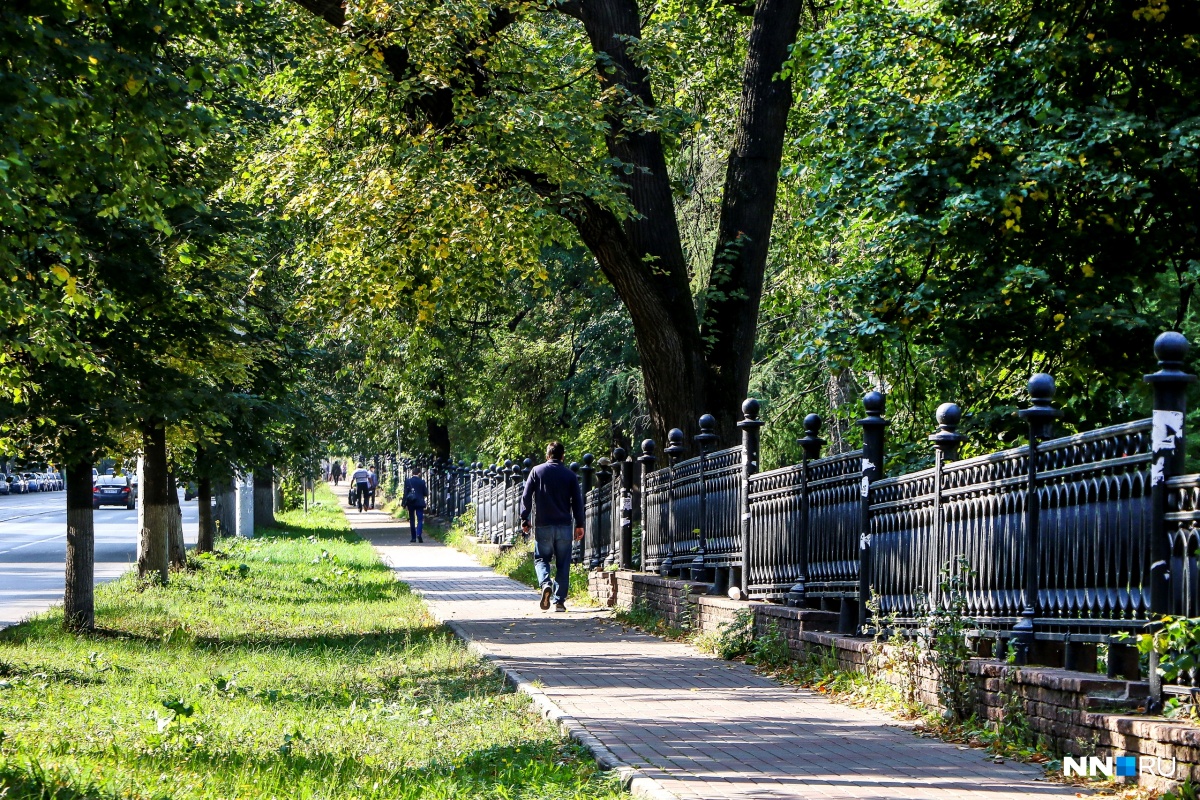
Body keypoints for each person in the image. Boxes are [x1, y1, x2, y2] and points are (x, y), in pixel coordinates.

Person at [520, 441, 584, 613]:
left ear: (547, 455)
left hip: (543, 525)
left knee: (541, 559)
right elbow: (578, 502)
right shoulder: (570, 476)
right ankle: (560, 602)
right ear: (563, 456)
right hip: (564, 526)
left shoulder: (537, 471)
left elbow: (526, 497)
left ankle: (545, 583)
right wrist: (580, 524)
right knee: (563, 563)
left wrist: (524, 518)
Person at [403, 468, 428, 542]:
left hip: (411, 502)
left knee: (412, 519)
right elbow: (425, 493)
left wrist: (404, 503)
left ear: (412, 473)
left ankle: (413, 537)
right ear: (419, 473)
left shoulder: (408, 481)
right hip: (419, 502)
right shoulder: (422, 482)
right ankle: (419, 533)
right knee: (420, 519)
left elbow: (405, 493)